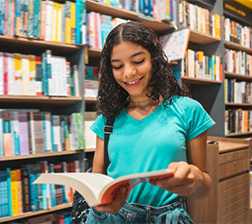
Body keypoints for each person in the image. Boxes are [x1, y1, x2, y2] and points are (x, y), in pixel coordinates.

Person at [86, 21, 215, 224]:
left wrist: (196, 178)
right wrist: (101, 201)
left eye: (138, 61)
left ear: (154, 59)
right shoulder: (107, 118)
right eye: (118, 66)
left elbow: (204, 188)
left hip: (167, 217)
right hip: (111, 218)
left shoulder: (188, 110)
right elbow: (96, 181)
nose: (128, 73)